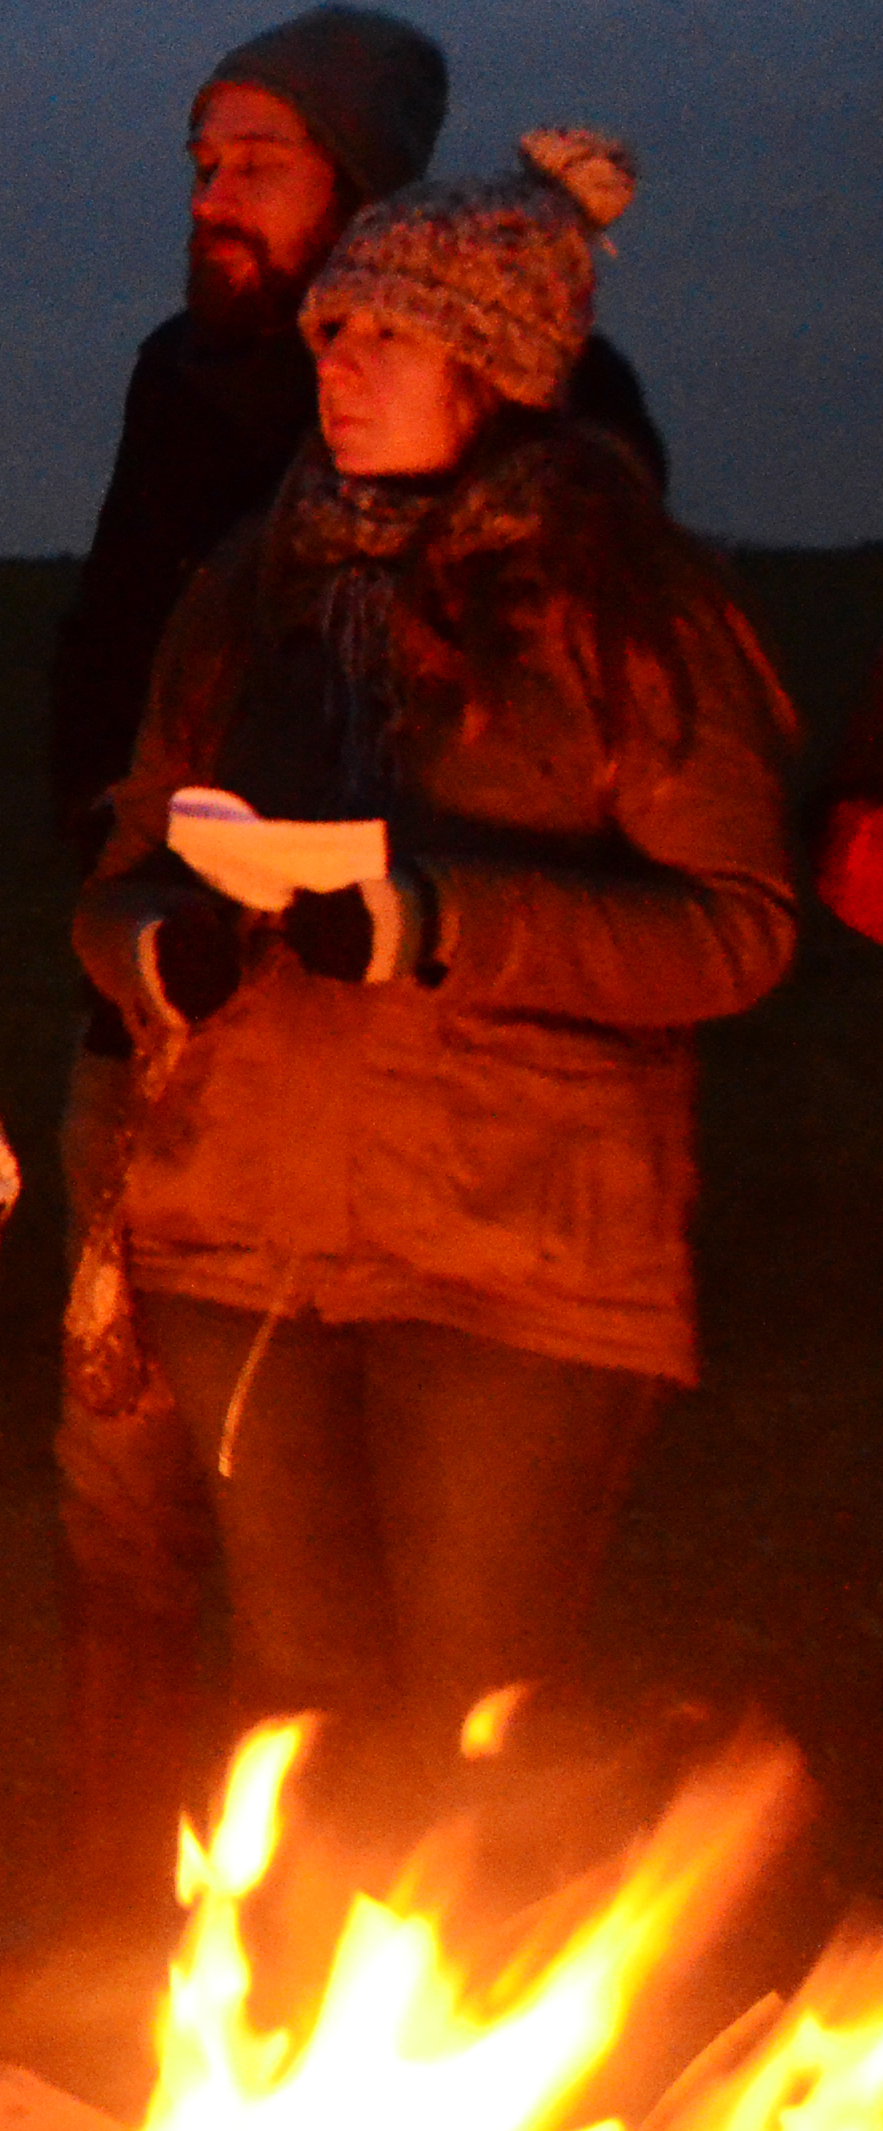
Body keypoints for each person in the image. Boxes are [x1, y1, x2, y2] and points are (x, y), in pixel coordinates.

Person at [71, 132, 789, 1814]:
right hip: (244, 1235)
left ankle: (510, 2048)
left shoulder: (615, 610)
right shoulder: (249, 590)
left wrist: (438, 920)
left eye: (385, 335)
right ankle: (305, 2051)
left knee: (483, 1718)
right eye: (329, 334)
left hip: (508, 1250)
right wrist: (154, 947)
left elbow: (737, 923)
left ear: (497, 359)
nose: (339, 369)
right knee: (298, 1721)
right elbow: (111, 877)